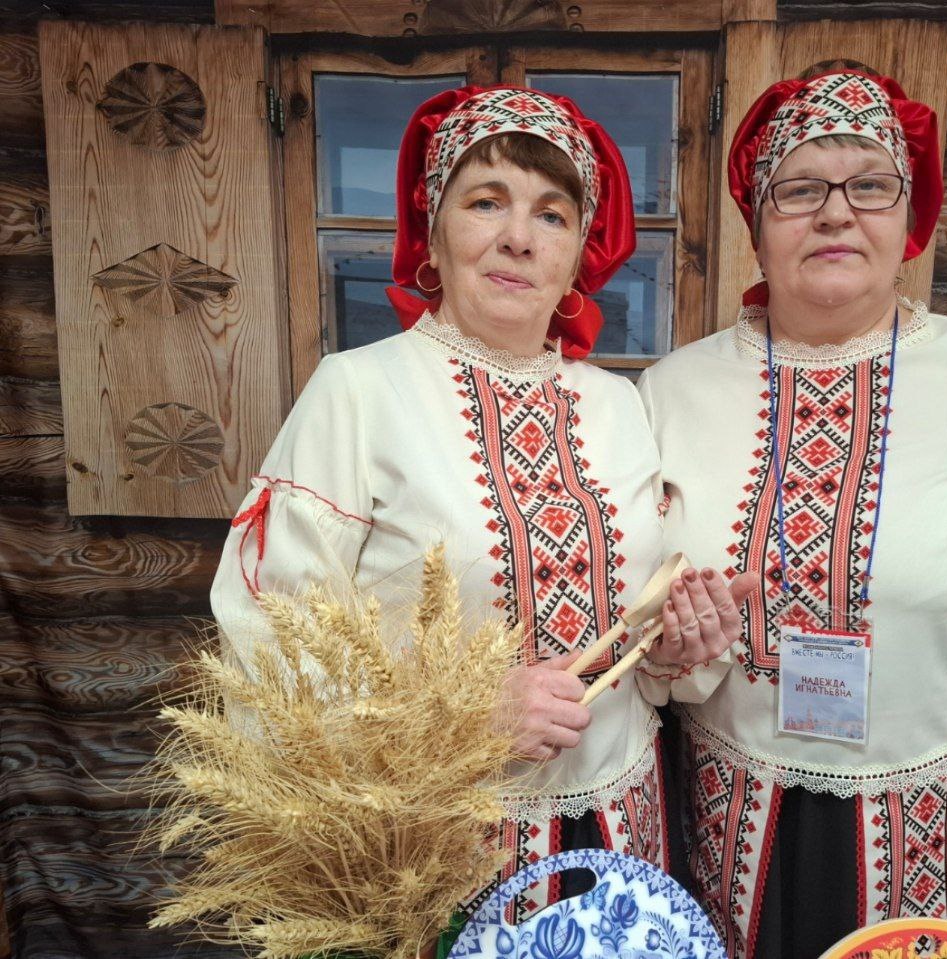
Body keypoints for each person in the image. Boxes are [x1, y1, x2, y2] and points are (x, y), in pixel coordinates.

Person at [210, 85, 745, 921]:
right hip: (438, 849)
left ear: (578, 253)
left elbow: (638, 644)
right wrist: (461, 713)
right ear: (433, 230)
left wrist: (679, 648)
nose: (518, 237)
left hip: (623, 833)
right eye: (486, 202)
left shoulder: (617, 405)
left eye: (552, 214)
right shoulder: (357, 392)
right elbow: (269, 638)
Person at [638, 69, 947, 957]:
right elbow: (641, 603)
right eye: (800, 189)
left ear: (911, 217)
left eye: (870, 184)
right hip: (726, 812)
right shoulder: (672, 391)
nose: (836, 213)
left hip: (933, 816)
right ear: (757, 224)